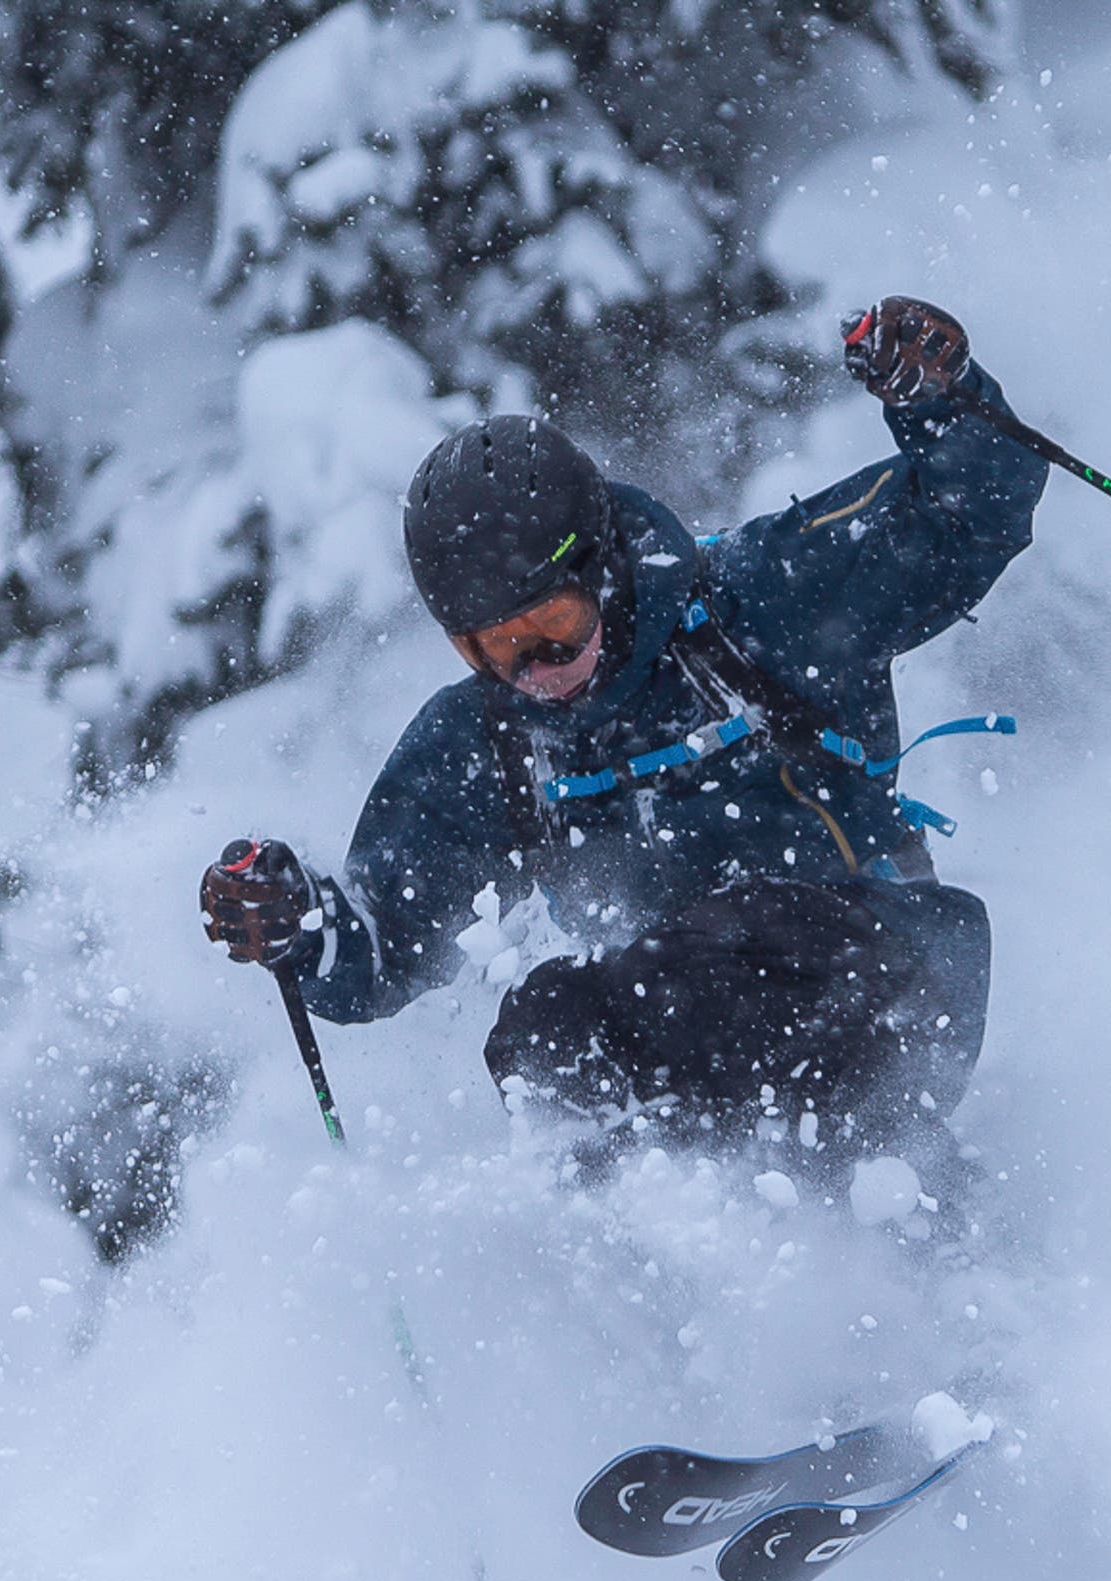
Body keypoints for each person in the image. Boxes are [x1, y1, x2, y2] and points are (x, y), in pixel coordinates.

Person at [199, 297, 1048, 1158]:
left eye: (554, 627)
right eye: (495, 648)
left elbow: (965, 518)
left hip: (886, 972)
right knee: (547, 1028)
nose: (537, 671)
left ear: (602, 572)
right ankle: (647, 1250)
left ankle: (897, 1200)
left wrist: (940, 399)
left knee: (724, 947)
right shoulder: (487, 742)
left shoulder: (759, 604)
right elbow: (385, 945)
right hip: (684, 1018)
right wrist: (300, 922)